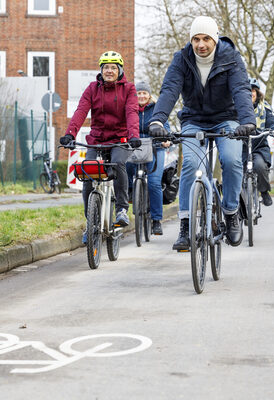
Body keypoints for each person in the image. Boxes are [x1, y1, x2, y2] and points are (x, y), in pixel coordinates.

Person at [148, 16, 256, 250]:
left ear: (215, 39)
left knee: (231, 160)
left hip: (227, 118)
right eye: (196, 39)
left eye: (206, 38)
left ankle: (230, 212)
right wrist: (157, 120)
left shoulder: (231, 57)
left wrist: (247, 121)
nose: (201, 44)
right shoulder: (182, 59)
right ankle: (186, 226)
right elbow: (169, 90)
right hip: (194, 120)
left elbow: (240, 89)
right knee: (190, 166)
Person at [60, 51, 141, 243]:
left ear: (119, 70)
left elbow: (131, 112)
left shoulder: (129, 89)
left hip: (120, 139)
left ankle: (121, 209)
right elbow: (81, 111)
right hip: (96, 139)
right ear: (101, 70)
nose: (109, 71)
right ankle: (92, 223)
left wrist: (134, 135)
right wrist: (70, 133)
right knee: (88, 171)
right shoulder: (92, 88)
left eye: (113, 67)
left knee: (118, 163)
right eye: (106, 67)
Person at [125, 81, 171, 235]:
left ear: (149, 95)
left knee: (154, 183)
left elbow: (166, 127)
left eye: (144, 93)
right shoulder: (130, 109)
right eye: (139, 93)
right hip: (134, 148)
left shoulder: (157, 109)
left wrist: (166, 140)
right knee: (127, 167)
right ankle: (131, 191)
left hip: (155, 148)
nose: (141, 96)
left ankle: (156, 220)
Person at [248, 77, 274, 207]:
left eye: (252, 91)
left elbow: (272, 122)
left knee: (260, 166)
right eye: (246, 90)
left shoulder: (264, 107)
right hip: (240, 147)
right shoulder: (236, 108)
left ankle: (264, 191)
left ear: (256, 93)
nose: (250, 93)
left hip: (258, 146)